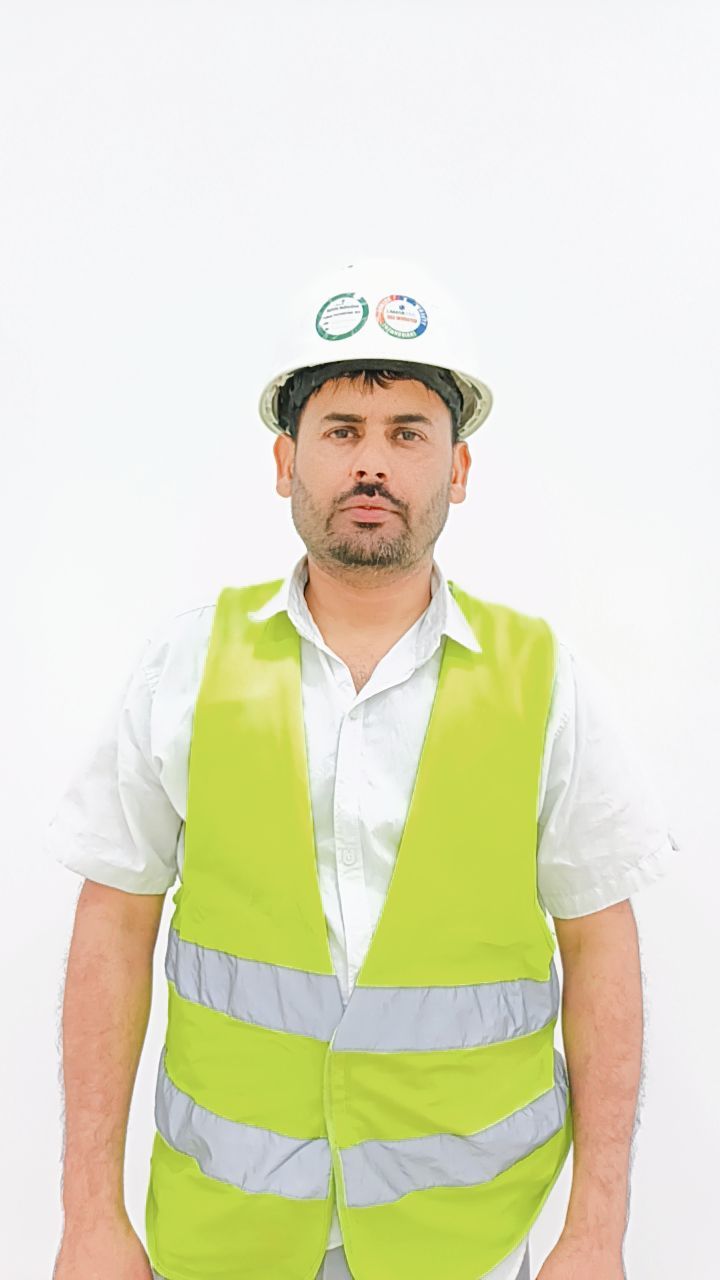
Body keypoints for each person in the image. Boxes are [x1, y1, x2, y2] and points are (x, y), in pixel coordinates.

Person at [49, 259, 679, 1280]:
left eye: (407, 433)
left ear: (458, 468)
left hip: (467, 1245)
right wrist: (90, 1216)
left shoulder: (543, 680)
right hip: (225, 1239)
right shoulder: (186, 666)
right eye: (341, 431)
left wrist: (596, 1231)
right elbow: (113, 925)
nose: (372, 463)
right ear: (285, 459)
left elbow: (600, 942)